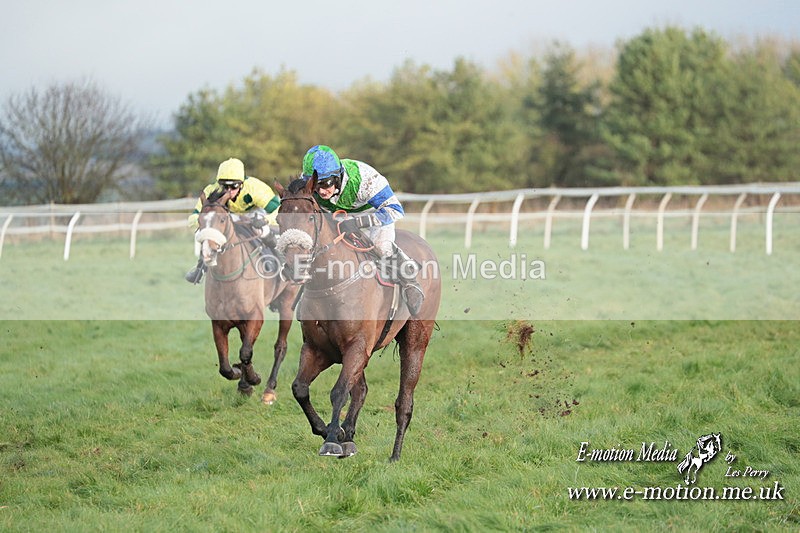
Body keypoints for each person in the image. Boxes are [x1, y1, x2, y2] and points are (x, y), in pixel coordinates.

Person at [300, 145, 424, 315]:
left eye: (326, 183)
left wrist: (358, 222)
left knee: (381, 246)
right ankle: (307, 294)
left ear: (337, 176)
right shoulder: (307, 182)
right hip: (335, 218)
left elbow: (395, 210)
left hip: (373, 214)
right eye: (316, 185)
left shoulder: (366, 179)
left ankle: (409, 277)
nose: (321, 191)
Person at [185, 157, 280, 283]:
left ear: (242, 184)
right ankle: (200, 268)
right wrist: (206, 220)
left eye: (234, 186)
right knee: (207, 231)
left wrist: (266, 220)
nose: (229, 191)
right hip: (227, 218)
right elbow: (192, 218)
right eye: (224, 186)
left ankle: (278, 260)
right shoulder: (211, 190)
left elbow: (279, 208)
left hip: (254, 215)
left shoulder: (255, 188)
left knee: (262, 230)